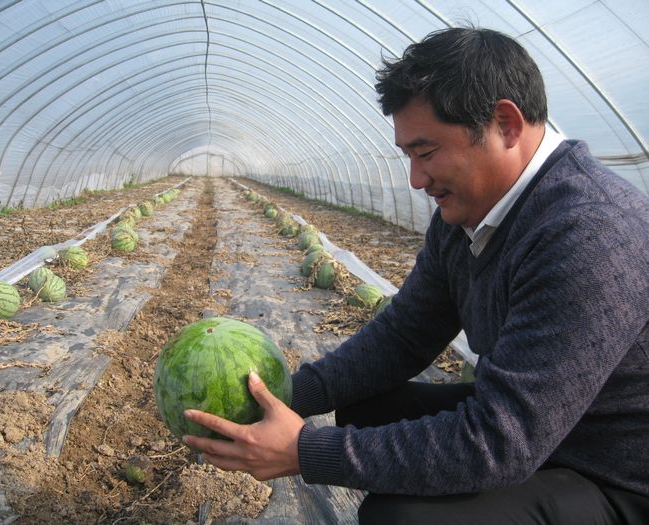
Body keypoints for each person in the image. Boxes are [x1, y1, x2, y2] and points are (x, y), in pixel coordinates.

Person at [182, 26, 649, 523]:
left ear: (505, 125)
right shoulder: (467, 214)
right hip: (547, 429)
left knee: (401, 518)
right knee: (365, 408)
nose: (416, 179)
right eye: (407, 156)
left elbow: (501, 440)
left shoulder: (588, 232)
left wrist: (305, 452)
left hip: (613, 474)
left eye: (426, 153)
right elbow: (405, 335)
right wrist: (279, 395)